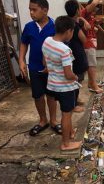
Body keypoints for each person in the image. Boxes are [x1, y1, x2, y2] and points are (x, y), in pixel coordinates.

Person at [19, 0, 61, 136]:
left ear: (45, 10)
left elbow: (60, 47)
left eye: (34, 10)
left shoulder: (55, 27)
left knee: (51, 96)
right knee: (38, 95)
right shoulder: (29, 27)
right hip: (34, 68)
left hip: (51, 69)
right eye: (30, 10)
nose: (31, 13)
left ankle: (54, 121)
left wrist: (53, 64)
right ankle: (43, 121)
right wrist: (21, 61)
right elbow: (24, 43)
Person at [42, 16, 82, 151]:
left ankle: (70, 132)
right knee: (66, 115)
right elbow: (68, 74)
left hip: (52, 86)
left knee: (66, 113)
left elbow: (44, 63)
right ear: (69, 31)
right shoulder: (65, 50)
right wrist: (76, 77)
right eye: (72, 32)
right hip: (65, 88)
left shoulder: (47, 41)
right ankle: (66, 144)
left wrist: (53, 70)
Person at [64, 0, 88, 112]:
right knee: (76, 79)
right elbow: (83, 39)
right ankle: (73, 104)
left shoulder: (65, 21)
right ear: (77, 10)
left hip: (70, 55)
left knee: (75, 79)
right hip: (77, 55)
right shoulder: (75, 25)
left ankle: (75, 100)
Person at [81, 0, 104, 93]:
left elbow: (93, 25)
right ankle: (94, 86)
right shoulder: (85, 13)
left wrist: (97, 23)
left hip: (91, 44)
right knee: (92, 66)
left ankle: (91, 83)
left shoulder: (90, 16)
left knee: (92, 65)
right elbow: (94, 3)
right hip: (88, 44)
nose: (95, 10)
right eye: (94, 8)